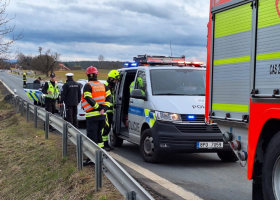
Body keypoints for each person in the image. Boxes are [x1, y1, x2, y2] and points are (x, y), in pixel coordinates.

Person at [82, 66, 112, 166]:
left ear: (87, 75)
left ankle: (92, 159)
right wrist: (105, 109)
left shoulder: (88, 85)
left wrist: (98, 107)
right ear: (96, 74)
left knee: (91, 137)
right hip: (102, 116)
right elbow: (109, 97)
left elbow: (88, 98)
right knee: (99, 135)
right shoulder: (103, 85)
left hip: (92, 115)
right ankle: (101, 156)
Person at [103, 70, 120, 150]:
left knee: (109, 128)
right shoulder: (105, 86)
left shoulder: (111, 86)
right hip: (106, 110)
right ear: (111, 79)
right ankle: (104, 145)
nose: (116, 82)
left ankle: (106, 144)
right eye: (115, 80)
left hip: (110, 110)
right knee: (105, 128)